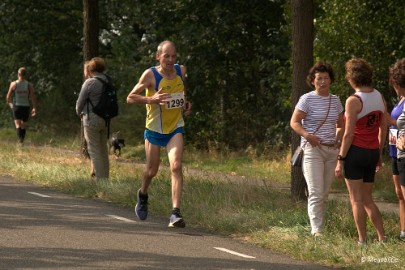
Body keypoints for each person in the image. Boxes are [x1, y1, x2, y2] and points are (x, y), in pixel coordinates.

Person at [126, 40, 191, 228]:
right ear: (158, 56)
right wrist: (151, 99)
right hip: (154, 129)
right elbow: (130, 97)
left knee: (176, 166)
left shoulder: (181, 70)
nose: (170, 60)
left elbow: (181, 90)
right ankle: (143, 194)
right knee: (151, 171)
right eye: (166, 56)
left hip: (175, 128)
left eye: (173, 56)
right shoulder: (150, 75)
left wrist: (185, 103)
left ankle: (175, 214)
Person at [335, 58, 387, 245]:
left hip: (356, 152)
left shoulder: (353, 100)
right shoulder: (379, 96)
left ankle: (362, 240)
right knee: (367, 198)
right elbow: (384, 127)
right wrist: (379, 153)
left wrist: (341, 159)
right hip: (372, 151)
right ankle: (382, 238)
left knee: (356, 199)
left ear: (351, 77)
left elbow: (348, 134)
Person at [290, 61, 344, 237]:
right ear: (312, 81)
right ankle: (317, 231)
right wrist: (307, 135)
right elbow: (294, 122)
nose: (322, 81)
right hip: (313, 150)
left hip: (331, 151)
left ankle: (320, 225)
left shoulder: (335, 101)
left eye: (326, 78)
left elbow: (341, 125)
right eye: (319, 78)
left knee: (325, 193)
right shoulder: (307, 99)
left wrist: (338, 139)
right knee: (315, 191)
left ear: (331, 80)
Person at [76, 57, 109, 180]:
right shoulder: (108, 81)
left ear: (90, 69)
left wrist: (79, 113)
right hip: (105, 119)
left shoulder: (89, 83)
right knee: (103, 150)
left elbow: (80, 103)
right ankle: (106, 178)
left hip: (91, 119)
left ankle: (101, 181)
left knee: (94, 150)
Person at [389, 58, 405, 241]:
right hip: (394, 150)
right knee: (399, 193)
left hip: (402, 150)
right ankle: (403, 231)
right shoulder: (400, 100)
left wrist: (389, 120)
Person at [6, 67, 37, 144]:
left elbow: (8, 97)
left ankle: (20, 141)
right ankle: (21, 141)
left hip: (17, 106)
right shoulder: (29, 85)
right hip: (26, 106)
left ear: (18, 74)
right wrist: (34, 107)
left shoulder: (13, 84)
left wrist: (10, 105)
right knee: (24, 124)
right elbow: (33, 97)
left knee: (17, 124)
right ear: (26, 75)